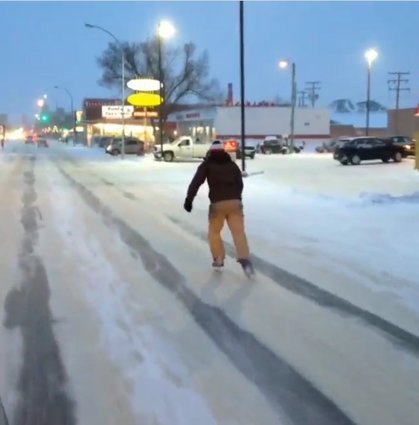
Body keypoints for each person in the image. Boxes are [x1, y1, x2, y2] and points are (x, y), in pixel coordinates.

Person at [183, 140, 255, 276]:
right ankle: (245, 260)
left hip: (217, 204)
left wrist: (189, 199)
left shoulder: (207, 165)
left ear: (210, 151)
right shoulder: (232, 165)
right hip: (235, 204)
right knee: (239, 233)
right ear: (223, 151)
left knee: (214, 232)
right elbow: (239, 183)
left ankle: (218, 258)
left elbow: (196, 182)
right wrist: (236, 197)